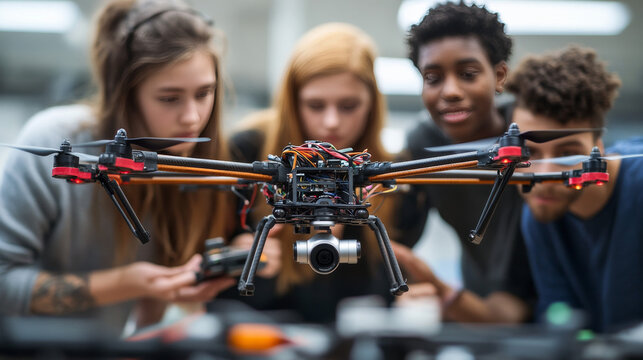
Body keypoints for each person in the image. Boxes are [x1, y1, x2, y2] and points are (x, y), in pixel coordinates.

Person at [0, 0, 235, 334]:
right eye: (169, 98)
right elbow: (3, 281)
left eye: (204, 93)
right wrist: (128, 283)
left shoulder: (195, 162)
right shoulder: (53, 140)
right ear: (127, 96)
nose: (192, 117)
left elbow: (150, 313)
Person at [220, 23, 411, 323]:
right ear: (292, 104)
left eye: (349, 106)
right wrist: (231, 259)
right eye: (315, 105)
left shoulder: (391, 181)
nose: (332, 122)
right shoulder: (244, 156)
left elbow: (385, 297)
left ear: (372, 105)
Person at [392, 1, 534, 323]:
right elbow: (399, 231)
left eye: (468, 74)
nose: (451, 91)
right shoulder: (423, 143)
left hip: (550, 305)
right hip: (478, 306)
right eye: (433, 78)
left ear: (499, 75)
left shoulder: (530, 132)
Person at [506, 45, 642, 333]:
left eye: (567, 154)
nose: (544, 175)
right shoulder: (541, 210)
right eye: (528, 154)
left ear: (599, 150)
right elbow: (562, 317)